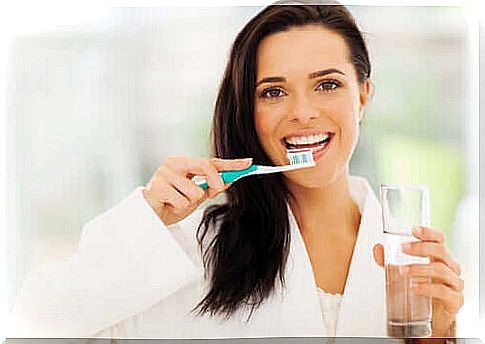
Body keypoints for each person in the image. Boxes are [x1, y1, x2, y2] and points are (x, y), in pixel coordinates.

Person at [9, 1, 464, 339]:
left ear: (363, 95)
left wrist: (439, 335)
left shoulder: (409, 263)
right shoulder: (191, 248)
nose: (302, 113)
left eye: (327, 84)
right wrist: (147, 223)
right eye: (272, 92)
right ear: (248, 110)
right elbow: (35, 325)